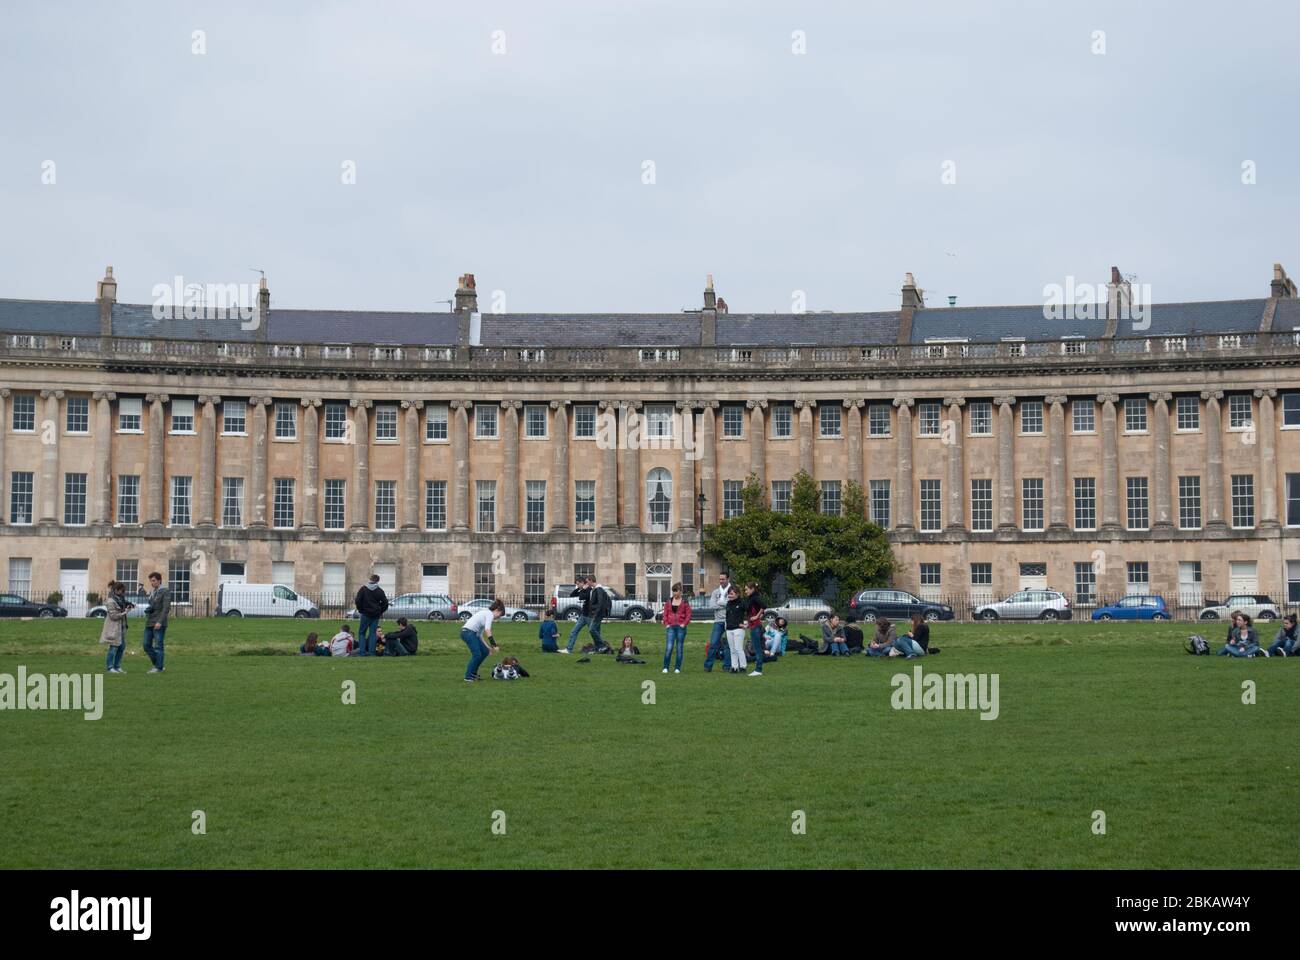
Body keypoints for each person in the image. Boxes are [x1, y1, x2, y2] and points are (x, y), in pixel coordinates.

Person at [461, 599, 504, 682]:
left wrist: (488, 648)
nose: (498, 617)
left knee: (485, 651)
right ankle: (468, 676)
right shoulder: (489, 614)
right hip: (468, 633)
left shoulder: (485, 614)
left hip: (471, 633)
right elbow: (488, 630)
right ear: (497, 610)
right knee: (477, 654)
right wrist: (494, 645)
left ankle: (473, 674)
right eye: (499, 615)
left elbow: (480, 636)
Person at [703, 572, 733, 672]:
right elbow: (712, 605)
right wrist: (724, 604)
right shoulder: (716, 592)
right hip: (718, 621)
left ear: (728, 579)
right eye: (720, 579)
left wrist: (720, 603)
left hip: (730, 621)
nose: (721, 581)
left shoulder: (733, 591)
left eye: (723, 579)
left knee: (728, 645)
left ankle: (727, 666)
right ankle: (708, 666)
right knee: (713, 643)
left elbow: (732, 605)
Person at [354, 574, 389, 657]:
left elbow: (358, 600)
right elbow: (385, 603)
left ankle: (362, 652)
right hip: (375, 615)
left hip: (365, 614)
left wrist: (360, 610)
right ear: (378, 581)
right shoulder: (380, 591)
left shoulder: (363, 589)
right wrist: (380, 611)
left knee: (362, 633)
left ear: (370, 579)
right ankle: (371, 653)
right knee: (373, 633)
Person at [99, 580, 130, 673]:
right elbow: (114, 616)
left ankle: (117, 666)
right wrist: (125, 612)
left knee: (122, 647)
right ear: (116, 590)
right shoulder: (111, 601)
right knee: (113, 647)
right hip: (113, 628)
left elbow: (124, 605)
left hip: (121, 627)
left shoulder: (121, 599)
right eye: (121, 591)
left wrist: (129, 605)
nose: (123, 593)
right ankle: (110, 667)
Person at [142, 571, 171, 674]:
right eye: (151, 581)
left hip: (159, 623)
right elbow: (153, 605)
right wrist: (148, 610)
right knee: (146, 645)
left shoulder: (165, 591)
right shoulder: (153, 592)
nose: (152, 583)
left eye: (153, 581)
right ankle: (159, 664)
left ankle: (158, 667)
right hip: (150, 622)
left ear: (159, 580)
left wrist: (160, 621)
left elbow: (166, 608)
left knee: (158, 646)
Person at [563, 576, 594, 654]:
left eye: (578, 584)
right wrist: (580, 588)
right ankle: (569, 649)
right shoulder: (583, 589)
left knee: (594, 633)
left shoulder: (589, 590)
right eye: (576, 584)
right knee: (574, 631)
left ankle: (599, 648)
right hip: (583, 616)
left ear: (583, 583)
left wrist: (583, 589)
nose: (577, 586)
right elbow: (572, 594)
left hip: (590, 616)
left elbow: (581, 597)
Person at [743, 582, 767, 676]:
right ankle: (758, 668)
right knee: (758, 648)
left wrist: (757, 616)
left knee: (757, 649)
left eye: (746, 589)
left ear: (752, 589)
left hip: (756, 626)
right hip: (753, 626)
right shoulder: (751, 598)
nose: (745, 591)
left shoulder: (755, 598)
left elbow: (764, 606)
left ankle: (758, 670)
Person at [724, 585, 749, 674]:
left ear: (737, 594)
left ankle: (743, 667)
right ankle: (734, 667)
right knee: (732, 649)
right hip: (729, 629)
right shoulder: (728, 603)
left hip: (738, 629)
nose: (729, 596)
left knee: (738, 648)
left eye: (731, 594)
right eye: (728, 594)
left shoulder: (742, 603)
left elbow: (749, 612)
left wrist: (747, 624)